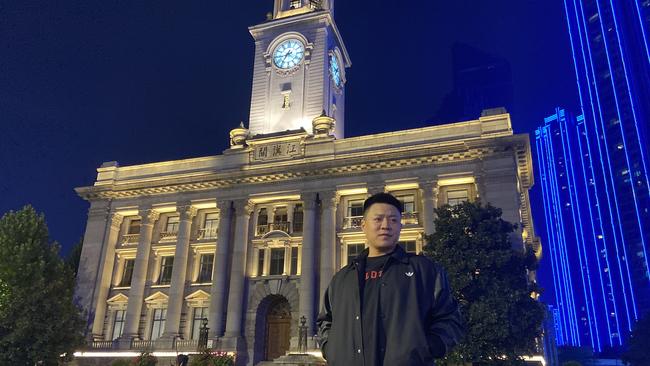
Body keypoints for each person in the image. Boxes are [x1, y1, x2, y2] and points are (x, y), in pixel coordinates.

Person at [317, 192, 464, 366]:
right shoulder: (342, 278)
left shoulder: (425, 271)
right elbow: (326, 321)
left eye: (393, 220)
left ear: (400, 227)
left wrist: (427, 348)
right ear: (363, 225)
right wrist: (330, 349)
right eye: (378, 219)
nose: (386, 225)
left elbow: (450, 318)